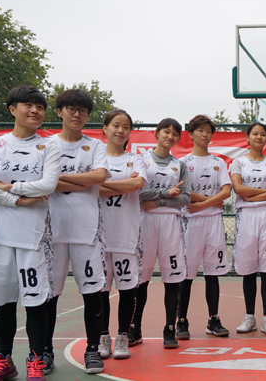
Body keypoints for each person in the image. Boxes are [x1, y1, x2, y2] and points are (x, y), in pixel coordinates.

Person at [0, 86, 60, 381]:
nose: (35, 110)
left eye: (40, 106)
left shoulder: (49, 147)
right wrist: (19, 200)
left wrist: (8, 187)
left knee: (35, 302)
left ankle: (35, 361)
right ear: (13, 109)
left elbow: (48, 184)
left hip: (34, 237)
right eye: (28, 105)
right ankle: (4, 361)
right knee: (5, 302)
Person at [44, 89, 109, 374]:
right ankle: (45, 351)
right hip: (52, 231)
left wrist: (56, 179)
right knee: (49, 295)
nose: (77, 114)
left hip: (86, 231)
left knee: (92, 292)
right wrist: (82, 180)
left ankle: (92, 350)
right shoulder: (46, 145)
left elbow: (100, 176)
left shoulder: (95, 146)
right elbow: (41, 181)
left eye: (83, 110)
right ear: (59, 112)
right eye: (71, 109)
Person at [130, 118, 191, 349]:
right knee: (141, 279)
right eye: (166, 131)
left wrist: (159, 202)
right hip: (144, 221)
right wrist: (165, 193)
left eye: (175, 134)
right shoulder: (141, 160)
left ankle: (169, 328)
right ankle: (135, 327)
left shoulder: (179, 165)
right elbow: (136, 191)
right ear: (157, 133)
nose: (170, 136)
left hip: (170, 223)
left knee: (172, 278)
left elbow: (185, 197)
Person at [98, 110, 147, 360]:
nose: (120, 130)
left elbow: (137, 184)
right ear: (105, 128)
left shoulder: (135, 159)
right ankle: (103, 336)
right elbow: (90, 187)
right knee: (101, 291)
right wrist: (124, 184)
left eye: (125, 127)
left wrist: (102, 185)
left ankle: (122, 336)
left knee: (127, 289)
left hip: (126, 235)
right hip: (98, 235)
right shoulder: (96, 158)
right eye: (115, 125)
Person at [178, 115, 232, 338]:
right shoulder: (182, 162)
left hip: (213, 222)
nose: (205, 134)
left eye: (208, 131)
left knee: (213, 272)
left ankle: (213, 319)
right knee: (186, 274)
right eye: (200, 130)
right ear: (191, 134)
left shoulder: (218, 162)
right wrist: (211, 201)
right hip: (190, 222)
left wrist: (202, 205)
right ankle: (181, 321)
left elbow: (226, 191)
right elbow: (184, 192)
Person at [231, 123, 266, 335]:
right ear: (247, 137)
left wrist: (252, 195)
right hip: (246, 217)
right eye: (255, 134)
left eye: (263, 134)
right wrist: (264, 193)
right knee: (248, 270)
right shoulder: (239, 162)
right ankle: (249, 317)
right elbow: (238, 189)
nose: (259, 137)